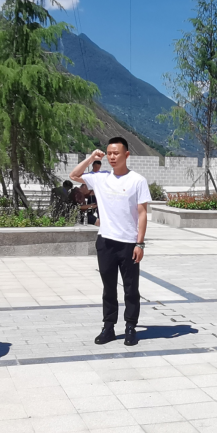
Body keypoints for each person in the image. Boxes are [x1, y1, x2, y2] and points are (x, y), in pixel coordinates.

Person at [70, 138, 151, 346]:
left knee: (131, 289)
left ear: (126, 155)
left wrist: (140, 243)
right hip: (105, 242)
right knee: (108, 288)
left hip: (128, 243)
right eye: (109, 153)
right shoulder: (100, 178)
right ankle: (108, 327)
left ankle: (130, 327)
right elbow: (74, 175)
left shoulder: (137, 180)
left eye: (116, 153)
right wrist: (91, 158)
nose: (112, 157)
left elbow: (142, 213)